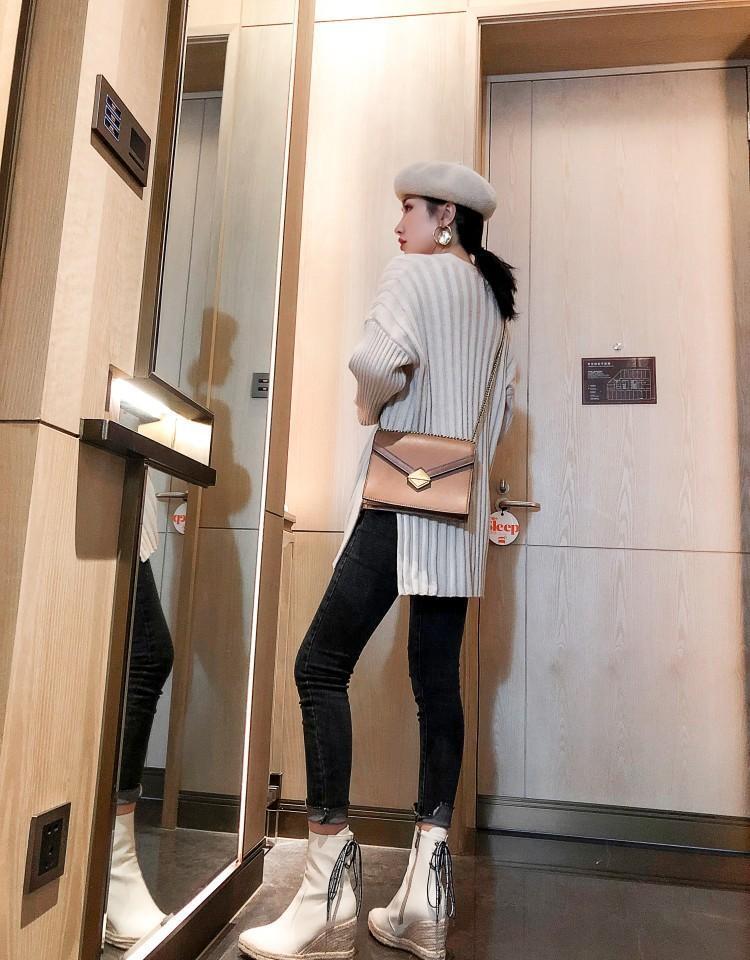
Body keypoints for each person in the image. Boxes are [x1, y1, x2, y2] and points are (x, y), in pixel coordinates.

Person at [238, 160, 518, 960]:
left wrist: (373, 408)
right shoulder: (495, 307)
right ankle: (427, 898)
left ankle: (326, 891)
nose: (399, 224)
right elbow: (498, 413)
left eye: (411, 209)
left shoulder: (413, 274)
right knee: (437, 685)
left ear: (447, 218)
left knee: (319, 664)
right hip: (457, 509)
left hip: (400, 494)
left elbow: (374, 363)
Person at [105, 470, 174, 949]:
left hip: (120, 476)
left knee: (138, 657)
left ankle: (112, 861)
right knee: (148, 655)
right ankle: (112, 865)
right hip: (103, 474)